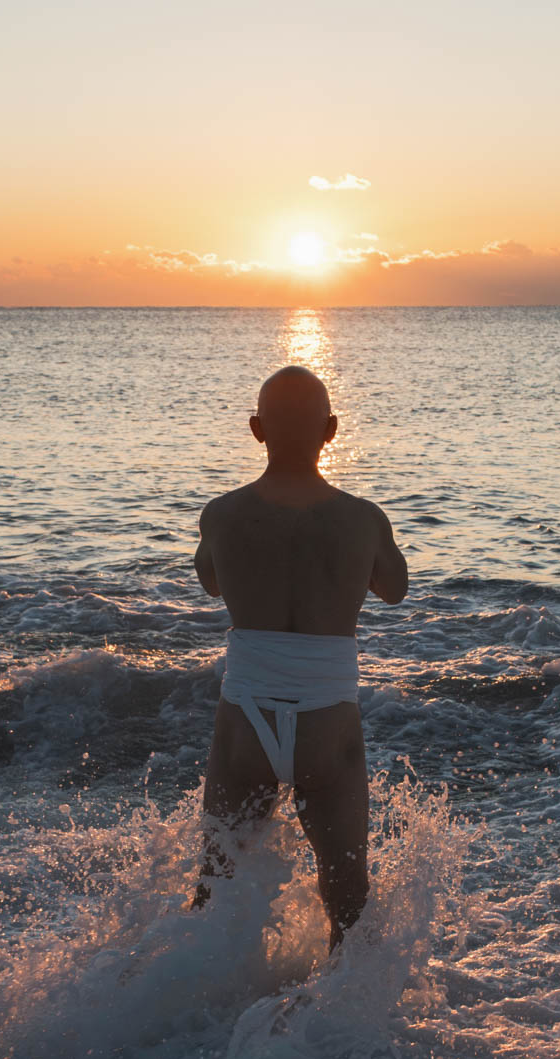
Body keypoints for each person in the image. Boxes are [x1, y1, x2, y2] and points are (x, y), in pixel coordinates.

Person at [191, 365, 409, 950]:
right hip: (326, 725)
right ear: (331, 429)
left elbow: (211, 583)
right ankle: (340, 1008)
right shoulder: (363, 519)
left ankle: (189, 997)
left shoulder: (222, 514)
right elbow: (395, 590)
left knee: (215, 884)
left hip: (247, 724)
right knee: (349, 900)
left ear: (256, 429)